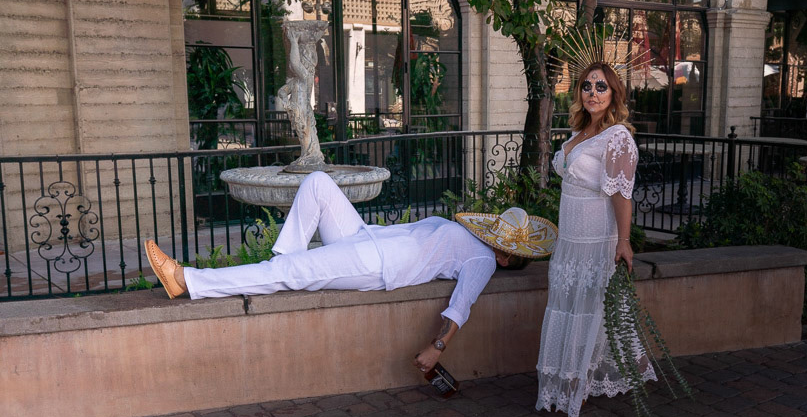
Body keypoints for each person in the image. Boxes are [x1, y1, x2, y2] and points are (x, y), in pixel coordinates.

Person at [144, 171, 556, 375]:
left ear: (507, 259)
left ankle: (188, 281)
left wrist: (438, 348)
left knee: (289, 269)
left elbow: (461, 305)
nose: (495, 239)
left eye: (503, 242)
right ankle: (284, 265)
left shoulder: (483, 261)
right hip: (367, 238)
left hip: (377, 264)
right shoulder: (474, 240)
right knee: (318, 182)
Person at [536, 62, 656, 417]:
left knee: (589, 308)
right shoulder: (580, 131)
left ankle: (578, 384)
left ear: (614, 93)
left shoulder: (617, 137)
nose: (593, 93)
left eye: (601, 86)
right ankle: (574, 378)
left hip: (595, 237)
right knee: (572, 304)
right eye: (587, 86)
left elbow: (621, 193)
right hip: (571, 239)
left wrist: (624, 240)